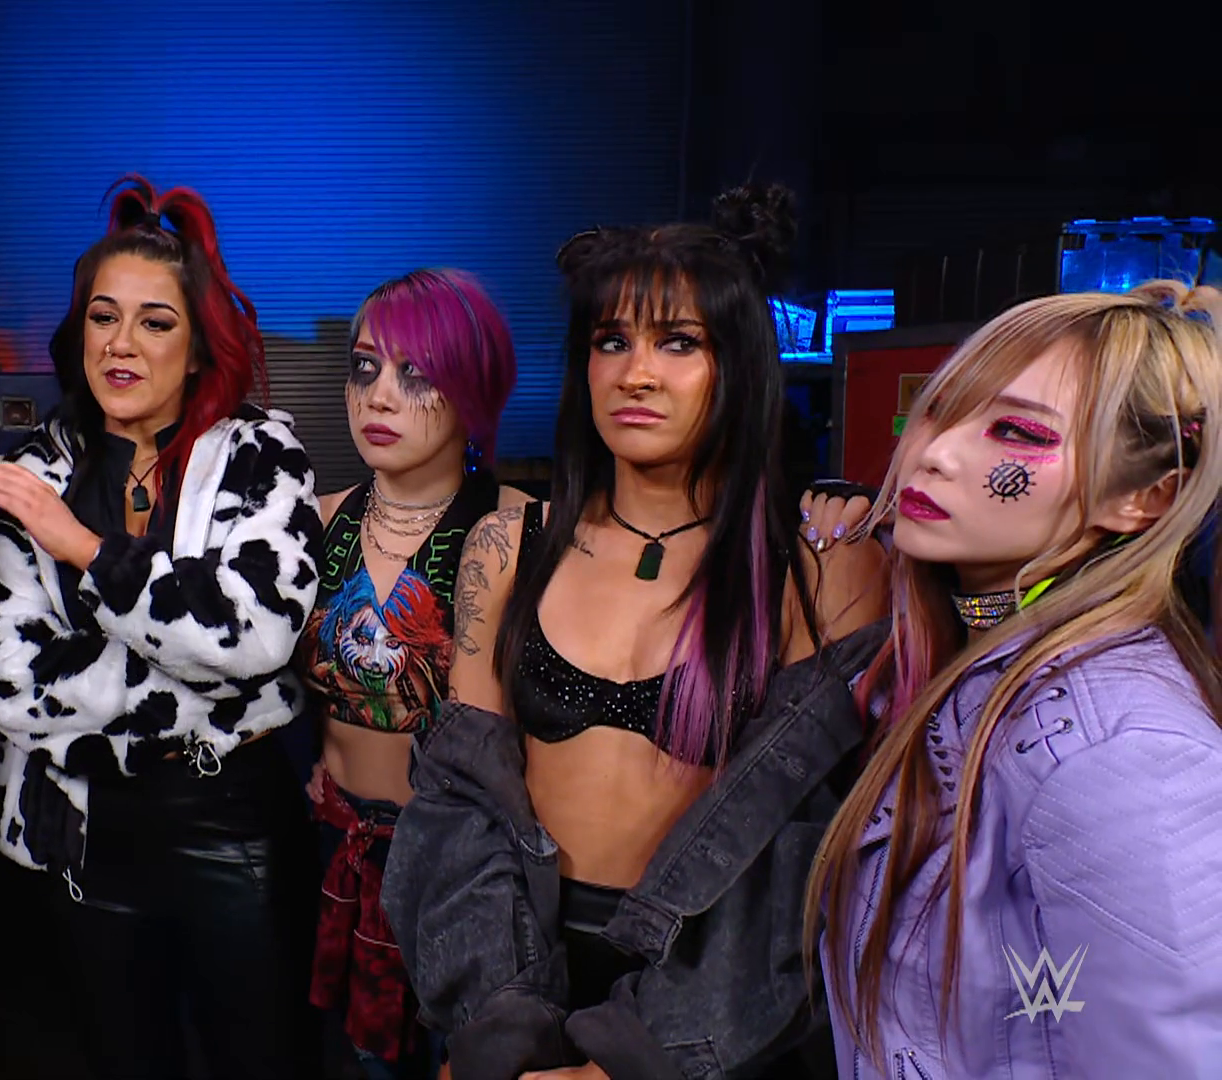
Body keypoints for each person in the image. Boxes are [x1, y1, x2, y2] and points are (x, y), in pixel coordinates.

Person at [383, 185, 888, 1080]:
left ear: (739, 363)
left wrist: (637, 1059)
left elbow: (800, 850)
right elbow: (462, 800)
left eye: (679, 342)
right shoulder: (510, 547)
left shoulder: (817, 569)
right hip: (515, 963)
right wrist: (494, 1024)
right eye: (611, 341)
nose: (636, 373)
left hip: (713, 1005)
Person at [809, 283, 1222, 1078]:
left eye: (1017, 431)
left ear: (1144, 498)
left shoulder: (1120, 754)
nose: (934, 452)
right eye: (937, 410)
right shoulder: (963, 661)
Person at [0, 176, 323, 1080]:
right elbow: (10, 680)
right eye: (103, 317)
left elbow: (257, 637)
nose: (121, 343)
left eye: (155, 322)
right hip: (81, 822)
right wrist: (197, 673)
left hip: (229, 821)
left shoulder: (260, 455)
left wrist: (85, 551)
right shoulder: (29, 474)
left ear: (197, 347)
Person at [297, 268, 525, 1079]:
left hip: (462, 863)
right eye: (364, 367)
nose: (379, 396)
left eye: (416, 373)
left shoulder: (521, 527)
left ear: (475, 388)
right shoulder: (316, 521)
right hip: (332, 845)